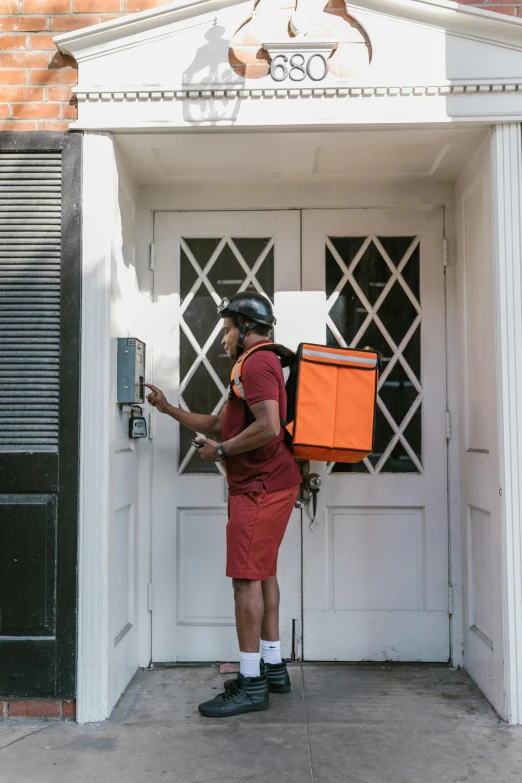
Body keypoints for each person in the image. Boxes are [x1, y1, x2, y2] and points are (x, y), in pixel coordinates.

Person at [144, 292, 302, 718]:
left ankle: (251, 683)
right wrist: (167, 409)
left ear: (247, 328)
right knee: (262, 571)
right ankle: (272, 669)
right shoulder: (256, 364)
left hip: (261, 486)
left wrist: (222, 452)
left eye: (228, 329)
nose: (224, 338)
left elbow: (268, 428)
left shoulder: (257, 362)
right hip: (268, 483)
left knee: (245, 580)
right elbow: (220, 423)